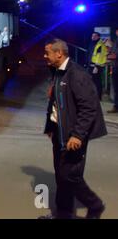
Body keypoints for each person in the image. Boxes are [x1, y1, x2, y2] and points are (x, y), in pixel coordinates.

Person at [40, 38, 107, 219]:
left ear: (59, 53)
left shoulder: (77, 75)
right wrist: (50, 126)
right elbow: (56, 103)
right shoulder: (57, 72)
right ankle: (63, 213)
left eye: (48, 53)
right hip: (59, 132)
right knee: (61, 176)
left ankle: (95, 205)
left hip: (73, 135)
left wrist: (78, 135)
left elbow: (89, 108)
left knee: (70, 176)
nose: (45, 56)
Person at [86, 32, 108, 100]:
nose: (93, 37)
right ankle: (92, 96)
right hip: (91, 65)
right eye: (92, 36)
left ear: (98, 37)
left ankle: (98, 97)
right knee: (91, 81)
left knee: (97, 82)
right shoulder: (92, 43)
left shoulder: (100, 44)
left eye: (95, 36)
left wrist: (96, 67)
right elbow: (90, 54)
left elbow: (99, 56)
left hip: (96, 66)